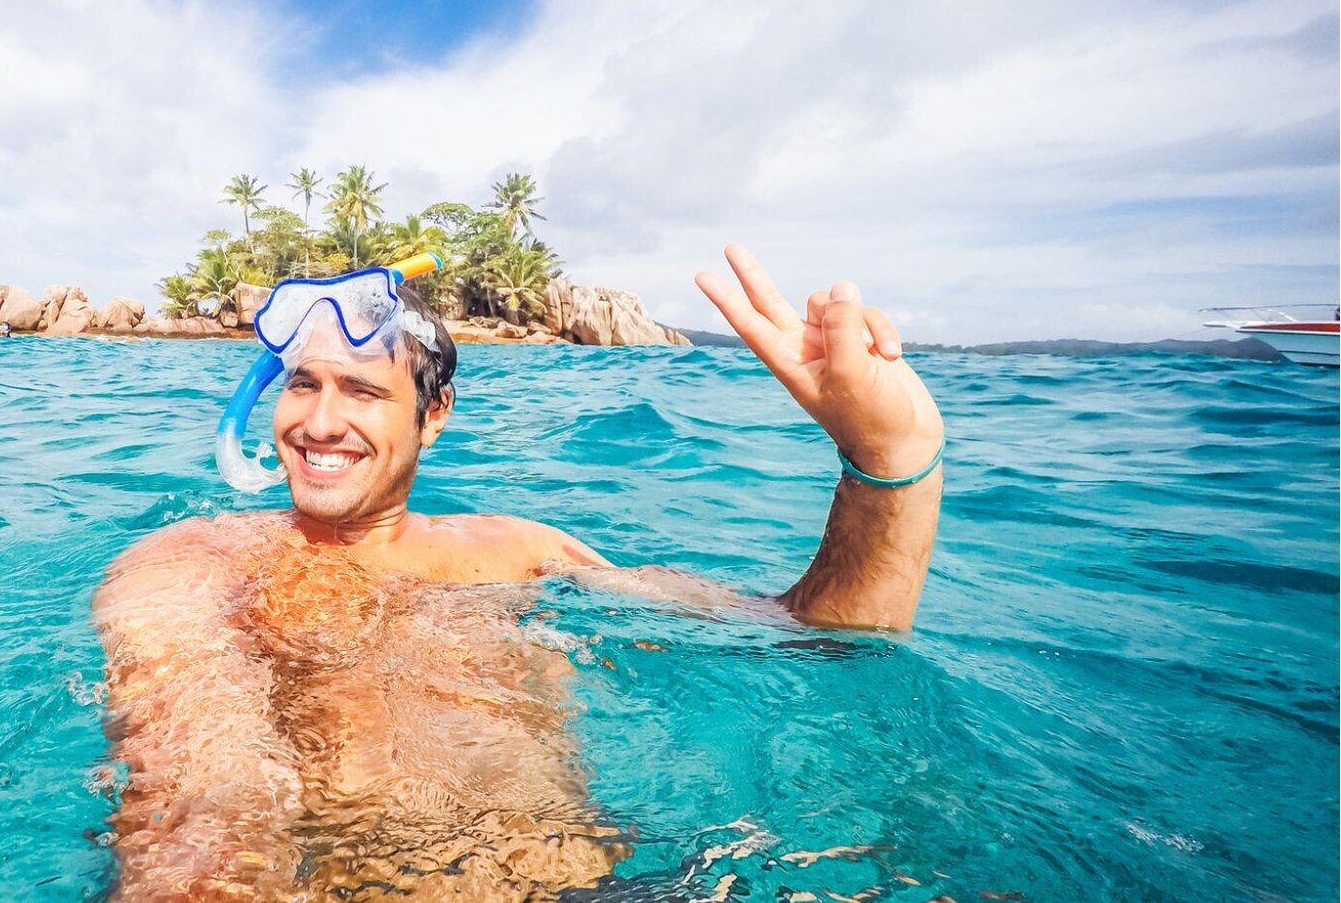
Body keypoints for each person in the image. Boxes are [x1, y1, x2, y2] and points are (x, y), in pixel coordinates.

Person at [92, 245, 944, 900]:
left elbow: (823, 635)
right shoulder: (200, 563)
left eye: (361, 391)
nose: (318, 421)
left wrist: (886, 461)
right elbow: (202, 795)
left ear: (434, 415)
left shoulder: (528, 551)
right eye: (301, 383)